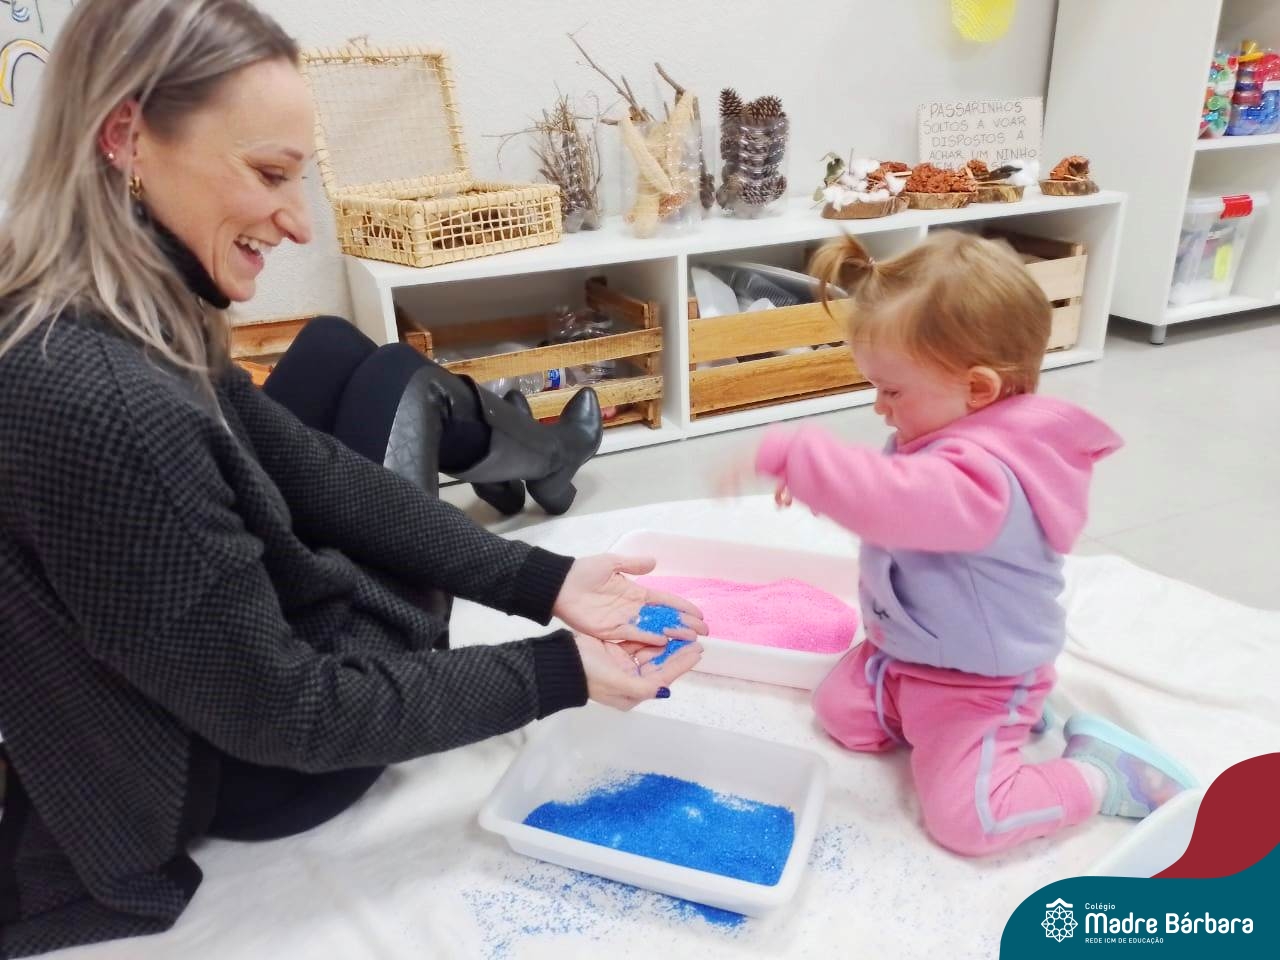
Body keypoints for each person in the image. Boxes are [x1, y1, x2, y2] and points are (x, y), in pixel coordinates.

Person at [0, 1, 705, 955]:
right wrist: (559, 671)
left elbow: (307, 466)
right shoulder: (112, 407)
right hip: (255, 769)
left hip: (207, 678)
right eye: (269, 174)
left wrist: (544, 580)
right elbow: (295, 716)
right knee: (399, 389)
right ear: (126, 135)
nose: (298, 223)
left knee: (337, 348)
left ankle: (537, 459)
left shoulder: (100, 314)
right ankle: (539, 458)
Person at [717, 231, 1198, 857]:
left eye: (893, 390)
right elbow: (896, 503)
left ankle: (1103, 776)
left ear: (978, 389)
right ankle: (957, 720)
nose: (879, 407)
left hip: (976, 679)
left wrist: (796, 456)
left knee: (968, 823)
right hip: (909, 652)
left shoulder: (988, 478)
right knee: (837, 711)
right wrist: (821, 489)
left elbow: (893, 502)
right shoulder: (945, 428)